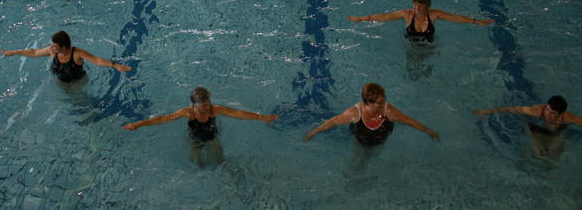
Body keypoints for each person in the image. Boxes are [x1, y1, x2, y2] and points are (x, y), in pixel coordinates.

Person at [122, 86, 278, 167]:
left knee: (219, 161)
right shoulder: (187, 113)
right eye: (203, 104)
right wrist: (138, 124)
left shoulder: (214, 110)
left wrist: (260, 117)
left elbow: (237, 113)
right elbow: (162, 119)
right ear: (194, 104)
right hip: (194, 140)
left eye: (208, 101)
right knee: (198, 162)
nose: (207, 105)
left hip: (212, 138)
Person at [304, 82, 439, 144]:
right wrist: (314, 132)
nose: (384, 103)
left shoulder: (389, 110)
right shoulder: (354, 113)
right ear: (368, 102)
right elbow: (333, 122)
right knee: (360, 160)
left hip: (381, 141)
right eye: (380, 102)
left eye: (384, 99)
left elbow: (408, 121)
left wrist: (428, 131)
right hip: (361, 141)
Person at [347, 0, 494, 42]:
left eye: (420, 6)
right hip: (410, 45)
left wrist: (477, 21)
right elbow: (385, 16)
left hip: (429, 45)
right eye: (415, 5)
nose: (416, 8)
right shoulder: (407, 14)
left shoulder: (434, 14)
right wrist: (361, 18)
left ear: (427, 6)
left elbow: (455, 18)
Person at [2, 30, 131, 82]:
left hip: (77, 82)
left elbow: (96, 60)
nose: (51, 48)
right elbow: (34, 52)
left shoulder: (77, 53)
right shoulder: (53, 50)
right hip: (60, 80)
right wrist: (14, 52)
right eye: (52, 45)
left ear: (64, 47)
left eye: (55, 46)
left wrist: (114, 65)